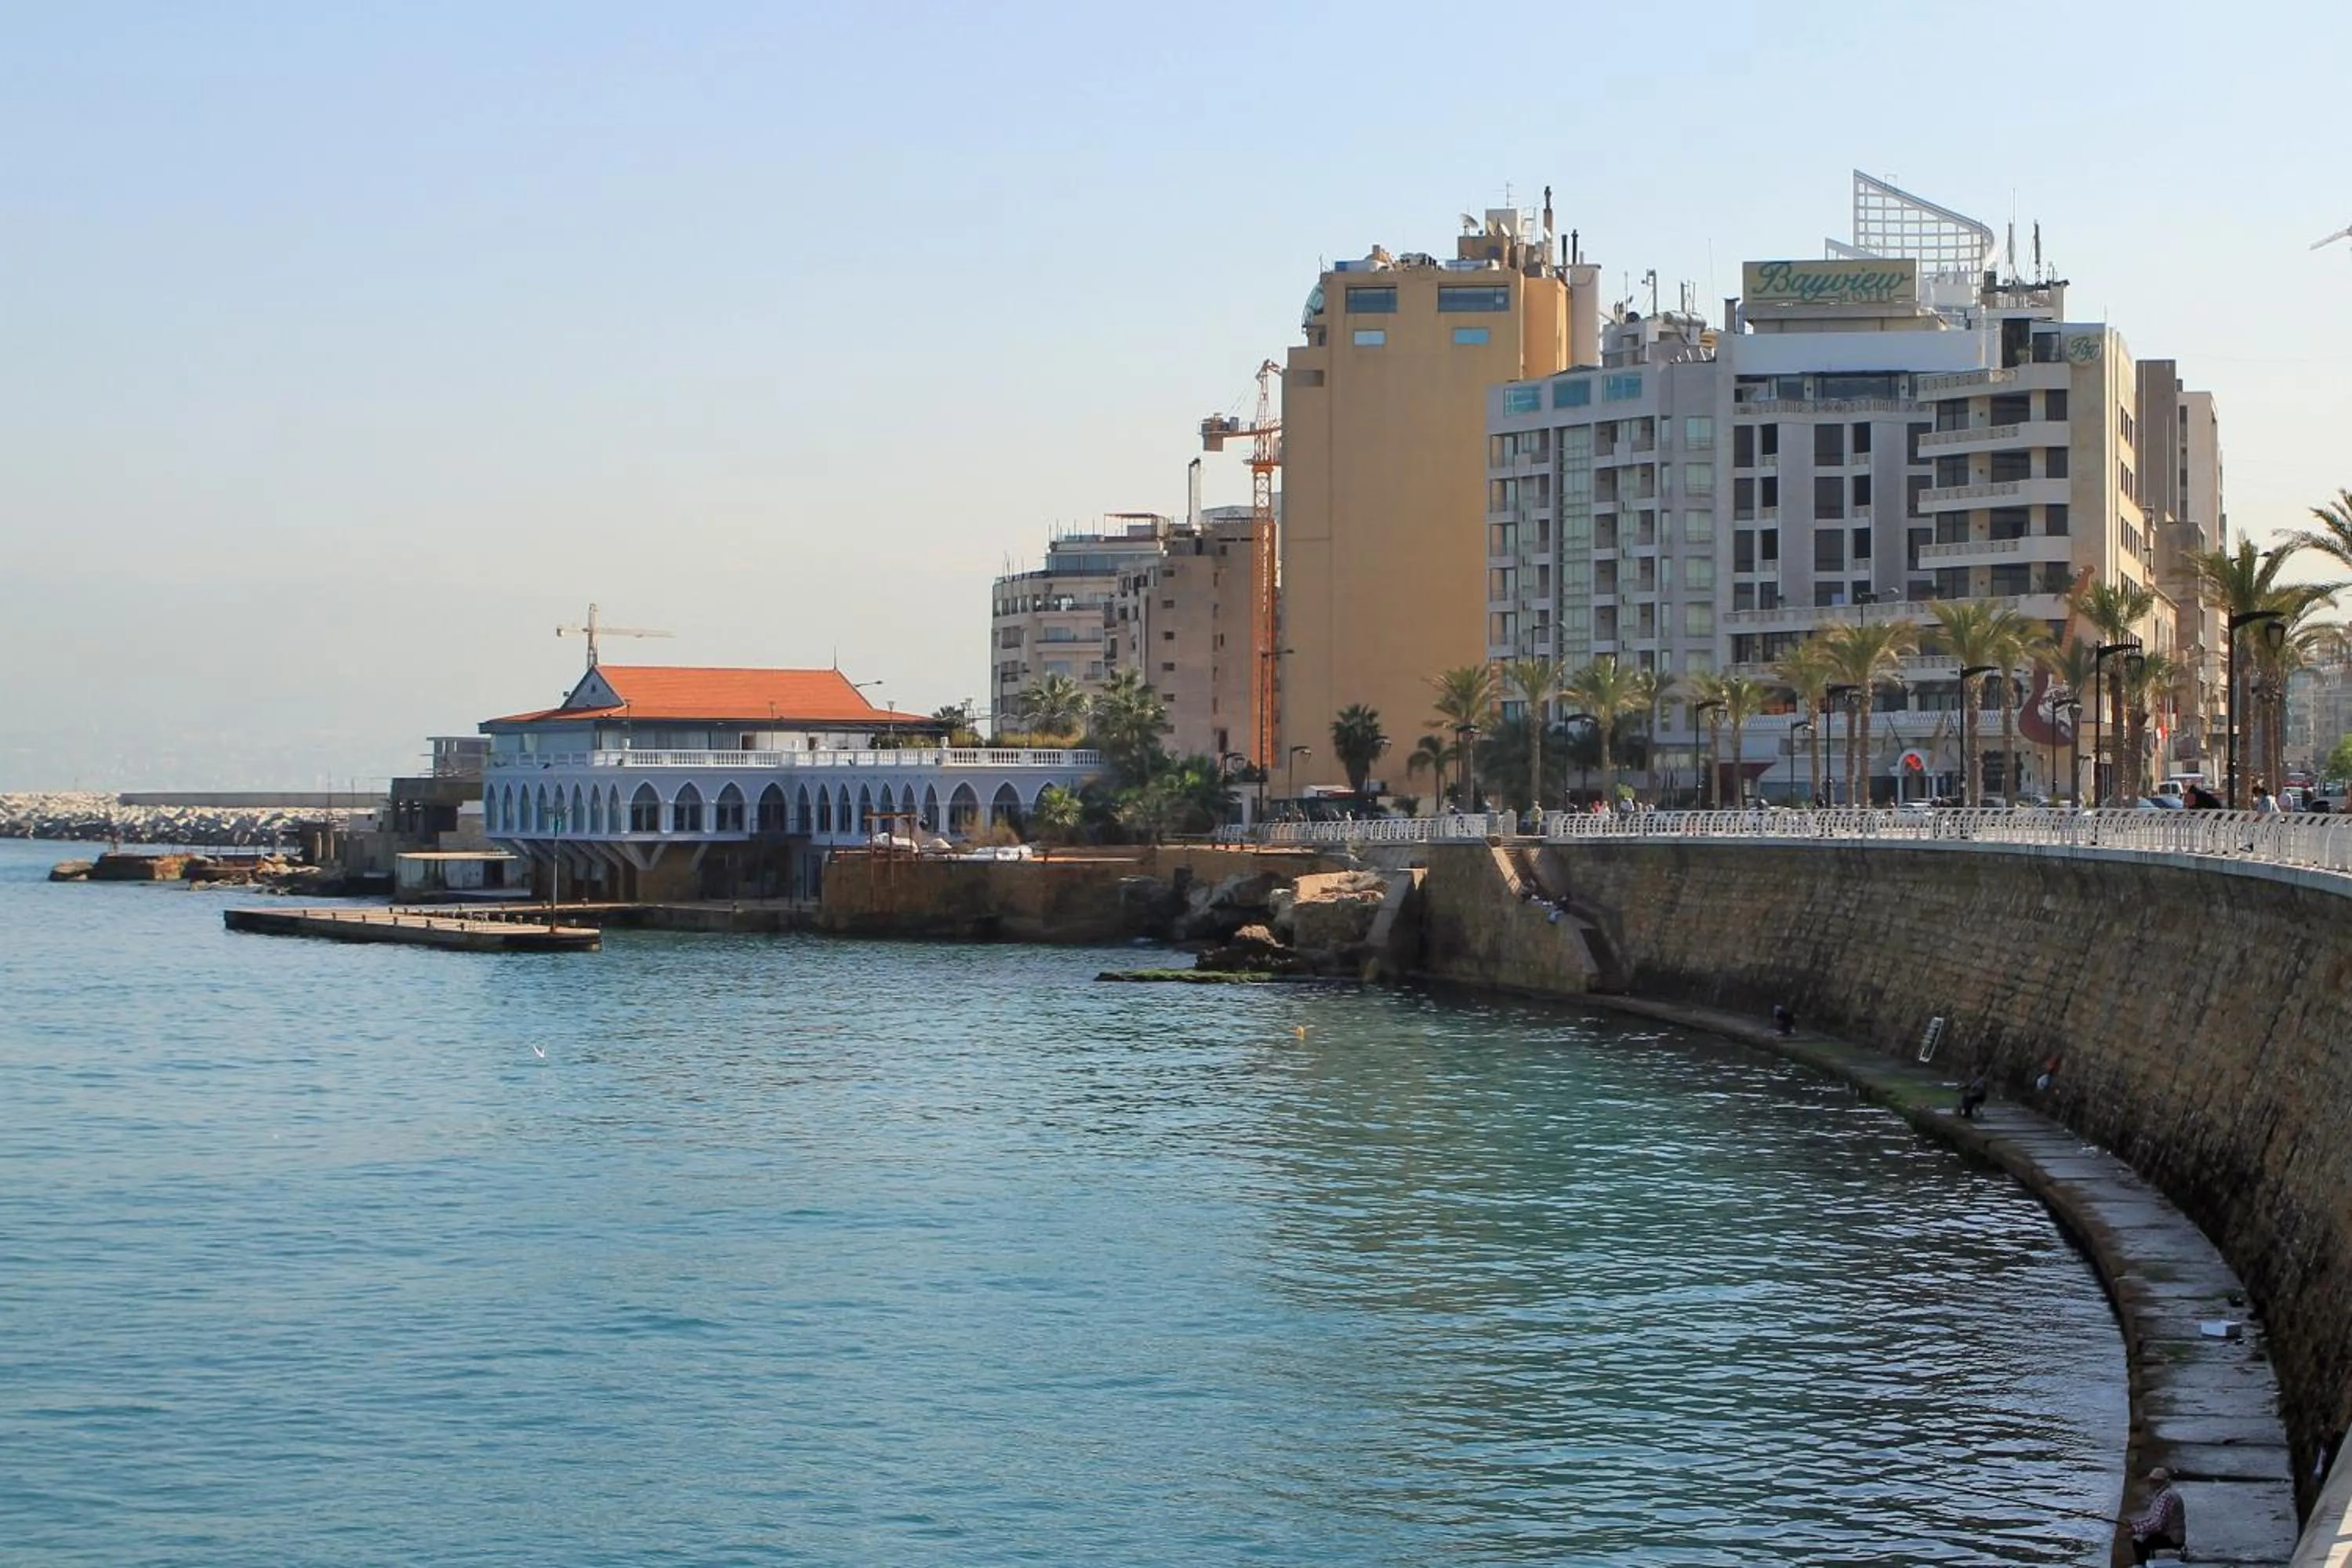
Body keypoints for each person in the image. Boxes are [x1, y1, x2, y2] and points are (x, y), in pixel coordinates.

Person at [2128, 1465, 2186, 1563]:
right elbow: (2152, 1518)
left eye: (2152, 1481)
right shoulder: (2166, 1494)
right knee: (2141, 1537)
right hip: (2173, 1535)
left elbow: (2157, 1525)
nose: (2150, 1484)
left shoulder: (2166, 1497)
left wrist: (2135, 1530)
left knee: (2139, 1541)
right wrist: (2134, 1524)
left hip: (2172, 1539)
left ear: (2159, 1482)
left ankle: (2143, 1564)